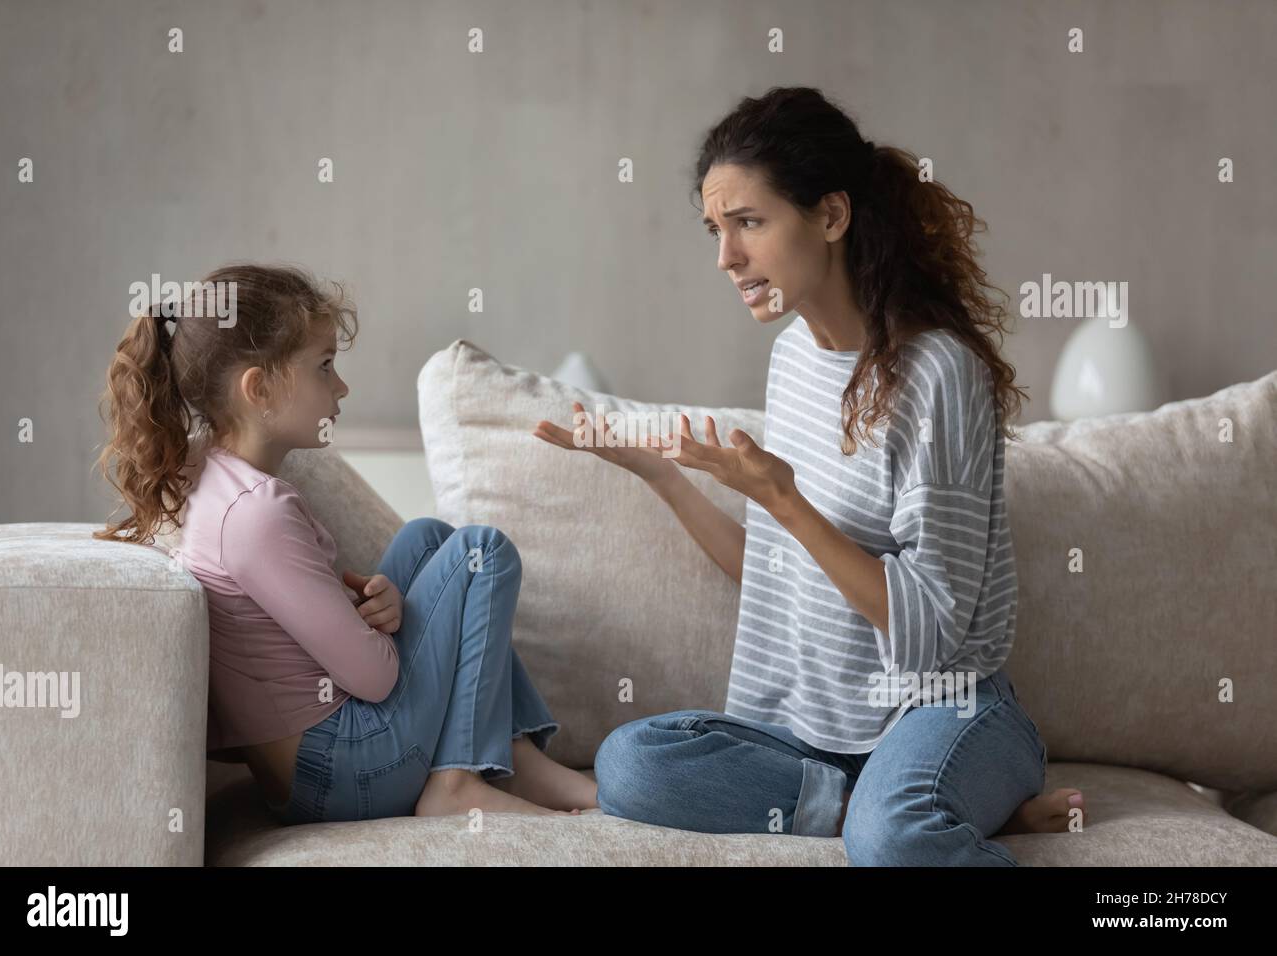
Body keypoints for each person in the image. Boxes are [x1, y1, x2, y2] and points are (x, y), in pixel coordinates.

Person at [534, 87, 1084, 864]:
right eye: (715, 230)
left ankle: (907, 811)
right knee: (632, 762)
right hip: (813, 738)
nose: (725, 258)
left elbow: (929, 637)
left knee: (891, 842)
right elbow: (776, 576)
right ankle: (888, 809)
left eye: (749, 223)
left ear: (831, 216)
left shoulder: (938, 374)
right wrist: (665, 478)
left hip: (944, 711)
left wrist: (781, 498)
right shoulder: (792, 358)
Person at [94, 263, 598, 824]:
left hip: (315, 770)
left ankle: (511, 756)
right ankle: (454, 784)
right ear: (258, 389)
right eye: (325, 366)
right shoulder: (257, 512)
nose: (342, 387)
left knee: (425, 539)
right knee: (481, 552)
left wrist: (372, 609)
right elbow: (375, 678)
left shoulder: (207, 472)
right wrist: (384, 623)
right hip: (346, 769)